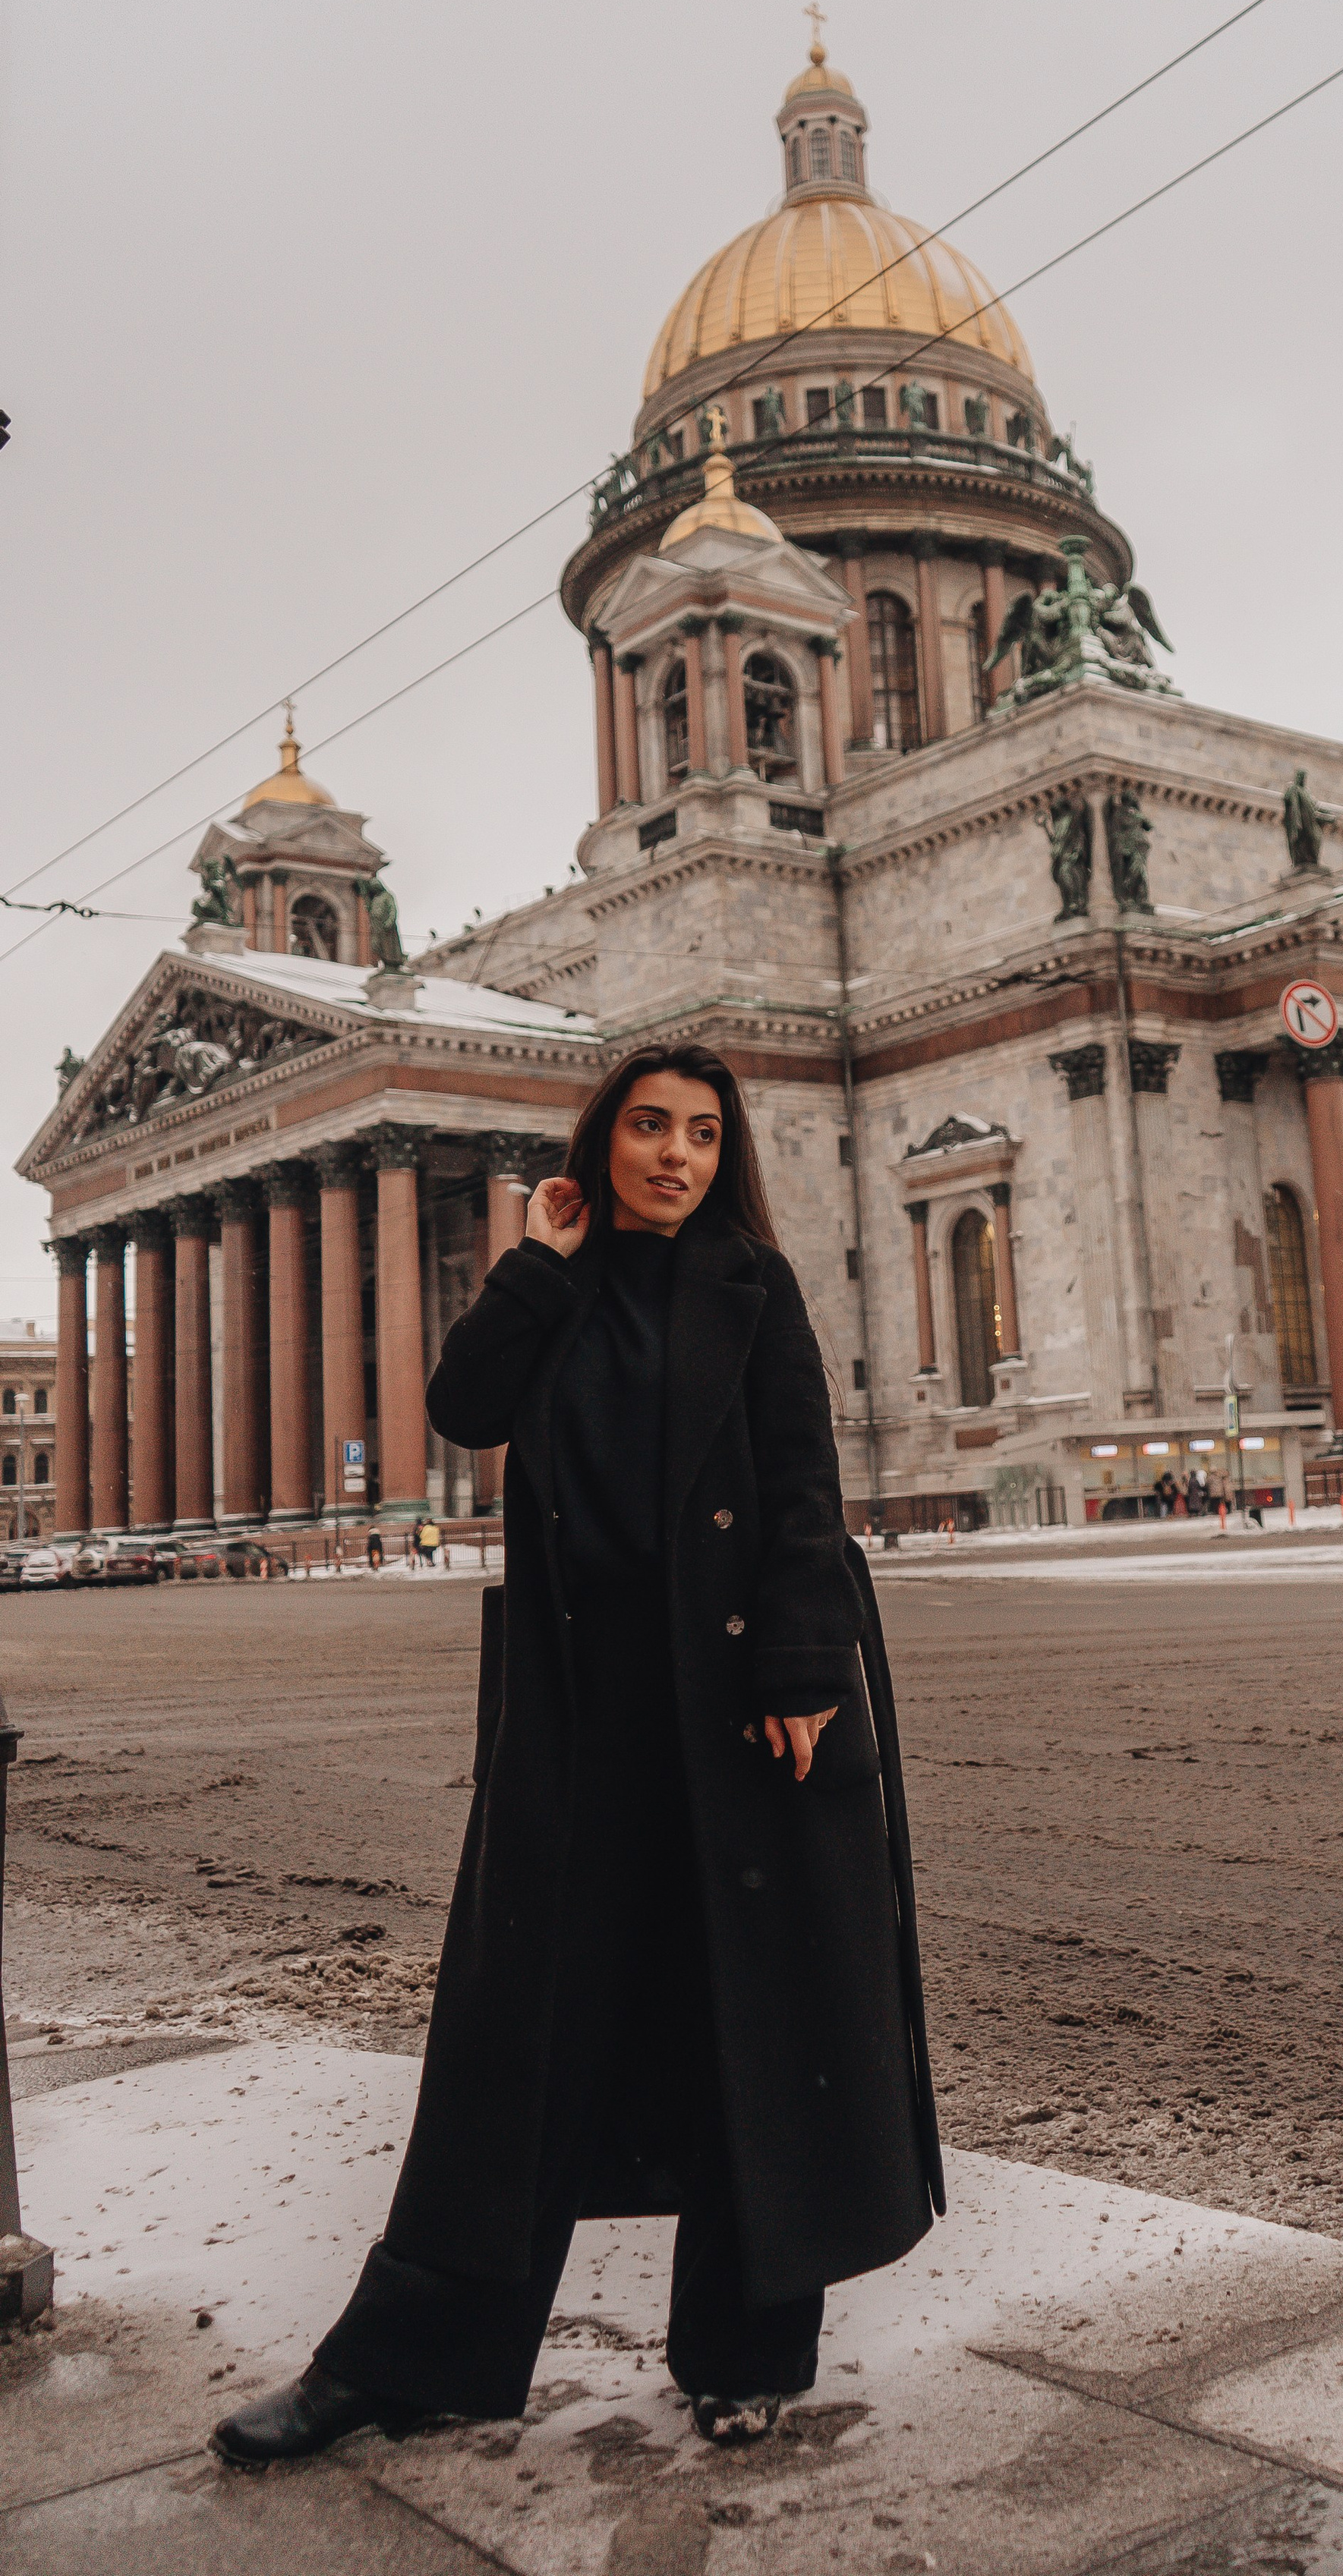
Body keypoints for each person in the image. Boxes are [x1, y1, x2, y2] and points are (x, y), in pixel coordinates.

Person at [213, 1041, 941, 2470]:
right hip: (579, 1712)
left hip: (740, 1712)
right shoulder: (557, 1288)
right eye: (652, 1127)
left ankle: (746, 2352)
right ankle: (411, 2357)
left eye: (704, 1137)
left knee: (753, 2023)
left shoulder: (757, 1287)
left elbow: (804, 1486)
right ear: (603, 1140)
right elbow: (466, 1409)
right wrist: (537, 1261)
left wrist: (803, 1663)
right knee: (513, 2040)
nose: (677, 1155)